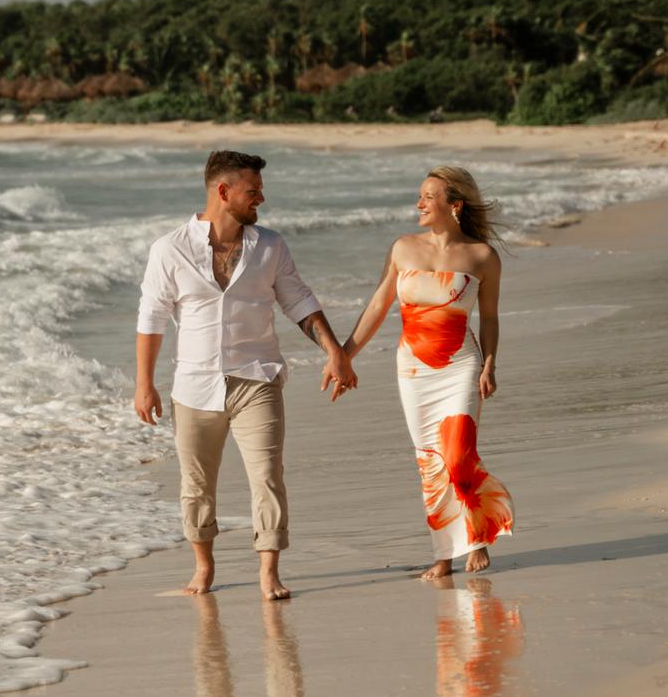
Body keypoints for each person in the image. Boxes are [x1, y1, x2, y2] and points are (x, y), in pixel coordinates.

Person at [134, 150, 356, 601]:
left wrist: (335, 351)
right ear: (223, 191)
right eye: (253, 191)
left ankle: (269, 571)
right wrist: (145, 384)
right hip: (194, 386)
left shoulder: (270, 246)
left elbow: (299, 302)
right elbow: (151, 318)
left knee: (267, 475)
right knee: (196, 484)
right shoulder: (169, 249)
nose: (262, 199)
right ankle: (203, 566)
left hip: (257, 378)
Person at [341, 165, 514, 578]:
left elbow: (488, 318)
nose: (419, 203)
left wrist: (490, 363)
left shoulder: (482, 257)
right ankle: (443, 555)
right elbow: (378, 307)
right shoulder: (403, 249)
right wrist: (344, 355)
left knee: (457, 455)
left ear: (454, 205)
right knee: (430, 462)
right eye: (419, 195)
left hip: (461, 363)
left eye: (428, 196)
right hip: (414, 370)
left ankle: (477, 535)